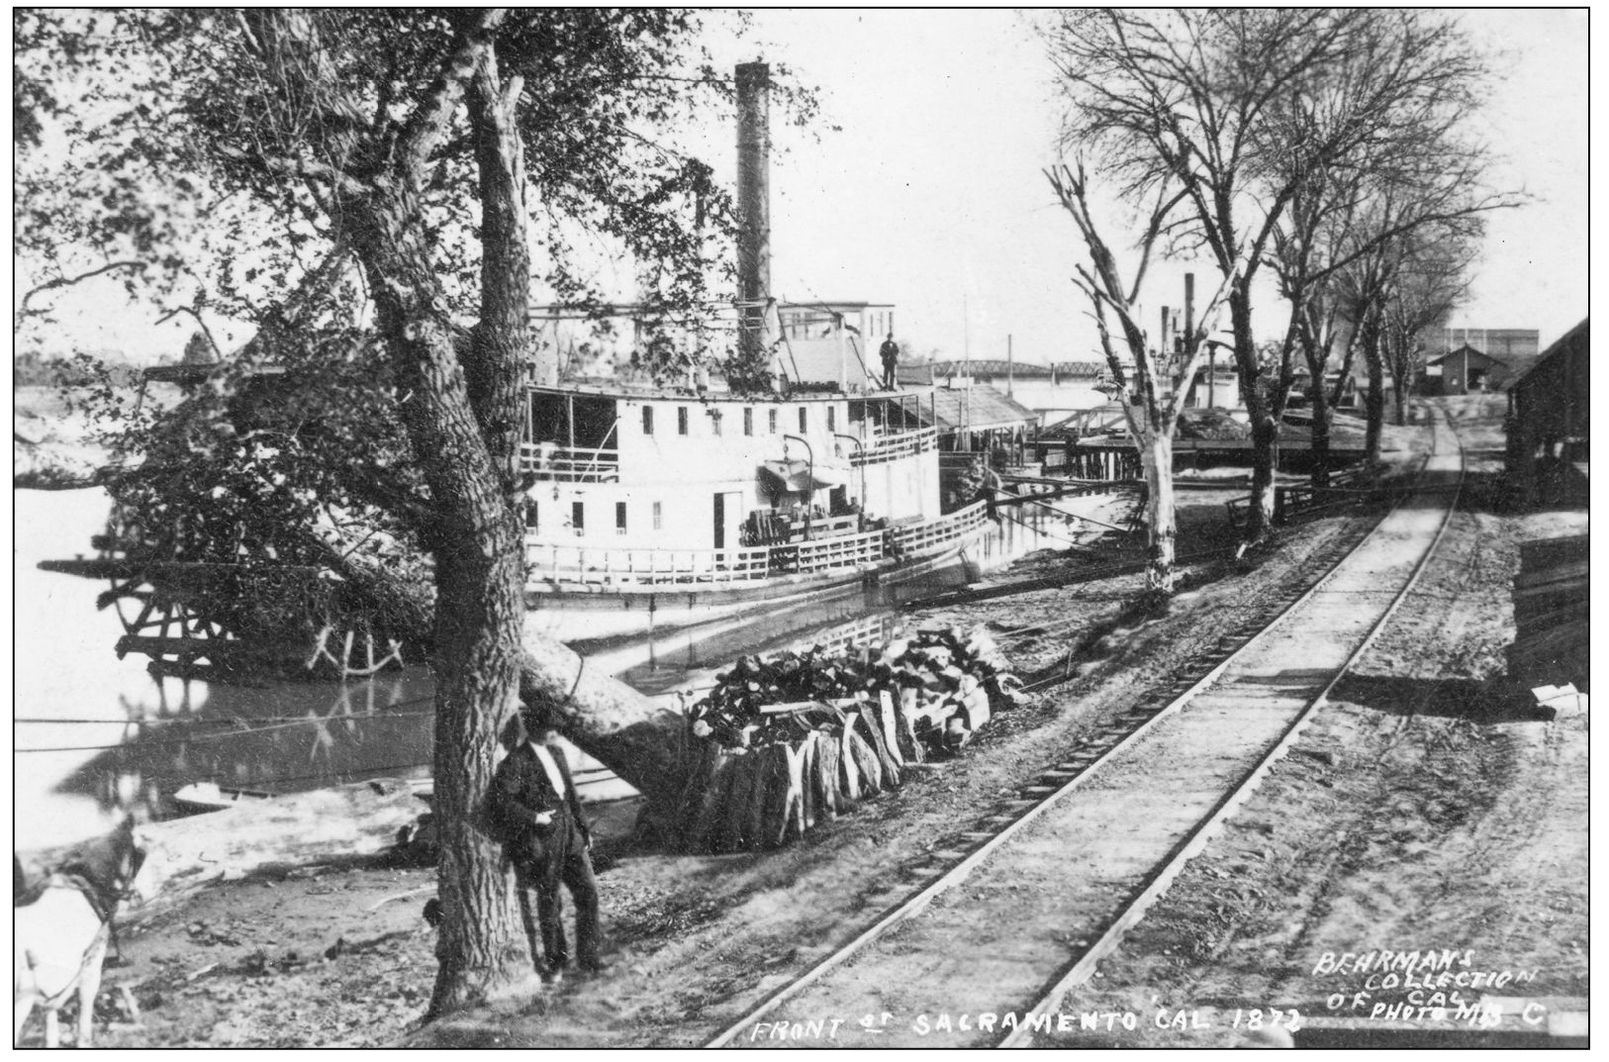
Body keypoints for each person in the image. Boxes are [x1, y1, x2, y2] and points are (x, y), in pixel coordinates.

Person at [489, 712, 603, 983]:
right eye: (547, 728)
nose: (552, 733)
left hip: (569, 832)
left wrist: (584, 829)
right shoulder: (517, 760)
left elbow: (572, 795)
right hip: (543, 837)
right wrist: (534, 817)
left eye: (553, 728)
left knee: (588, 892)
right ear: (532, 728)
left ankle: (589, 958)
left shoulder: (557, 752)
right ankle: (556, 962)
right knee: (551, 900)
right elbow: (503, 801)